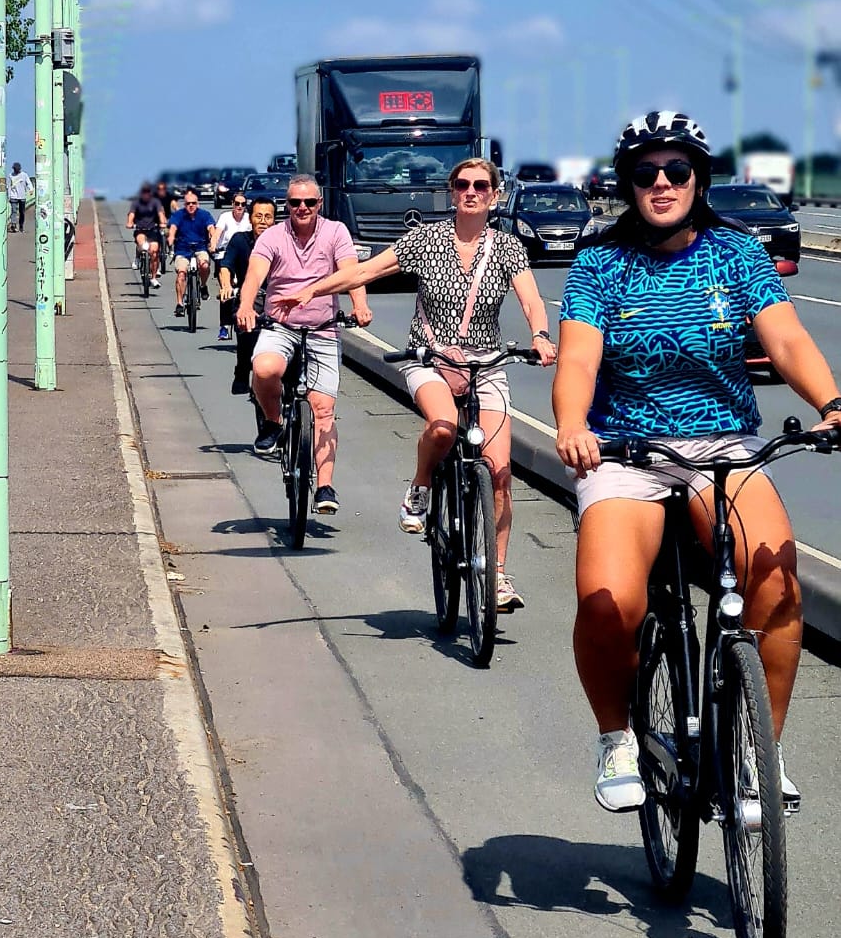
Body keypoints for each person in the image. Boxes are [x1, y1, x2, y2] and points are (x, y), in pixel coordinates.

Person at [554, 110, 841, 813]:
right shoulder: (600, 261)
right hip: (625, 449)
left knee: (774, 587)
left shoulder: (736, 254)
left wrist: (833, 401)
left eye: (675, 169)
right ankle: (615, 736)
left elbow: (788, 342)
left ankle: (756, 753)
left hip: (721, 446)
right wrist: (569, 424)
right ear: (626, 183)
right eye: (645, 172)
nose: (661, 182)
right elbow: (580, 356)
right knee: (607, 602)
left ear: (698, 178)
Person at [282, 155, 554, 609]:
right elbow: (366, 271)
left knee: (501, 474)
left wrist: (541, 336)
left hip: (485, 362)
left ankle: (499, 575)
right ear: (452, 192)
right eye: (463, 184)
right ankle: (422, 487)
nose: (471, 192)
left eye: (481, 186)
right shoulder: (427, 240)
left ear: (494, 194)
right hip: (428, 357)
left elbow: (530, 300)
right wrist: (314, 289)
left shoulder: (507, 248)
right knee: (444, 425)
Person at [236, 174, 370, 518]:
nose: (302, 208)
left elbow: (351, 272)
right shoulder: (273, 236)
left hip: (323, 329)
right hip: (281, 325)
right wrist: (246, 305)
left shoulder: (336, 232)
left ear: (319, 204)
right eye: (295, 202)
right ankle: (273, 422)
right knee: (264, 368)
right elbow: (254, 275)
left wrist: (359, 304)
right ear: (287, 205)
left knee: (323, 408)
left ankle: (324, 486)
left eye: (309, 202)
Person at [221, 199, 278, 437]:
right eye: (258, 216)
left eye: (268, 216)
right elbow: (226, 267)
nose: (263, 221)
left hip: (279, 299)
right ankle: (243, 369)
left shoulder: (284, 241)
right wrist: (226, 285)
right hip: (250, 298)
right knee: (247, 325)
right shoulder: (239, 241)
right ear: (250, 218)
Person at [167, 188, 216, 317]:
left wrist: (213, 240)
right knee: (182, 274)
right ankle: (179, 304)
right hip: (183, 250)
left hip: (200, 248)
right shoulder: (179, 215)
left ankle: (203, 285)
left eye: (193, 203)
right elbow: (173, 228)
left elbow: (211, 228)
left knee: (204, 265)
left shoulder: (204, 215)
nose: (191, 206)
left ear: (197, 204)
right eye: (188, 203)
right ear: (185, 205)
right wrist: (171, 238)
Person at [213, 192, 253, 340]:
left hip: (242, 256)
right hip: (225, 254)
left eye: (243, 204)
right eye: (237, 204)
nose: (240, 207)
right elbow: (217, 234)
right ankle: (224, 326)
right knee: (226, 289)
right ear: (232, 204)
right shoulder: (225, 217)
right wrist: (213, 245)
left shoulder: (249, 219)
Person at [126, 182, 166, 287]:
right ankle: (138, 257)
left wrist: (162, 222)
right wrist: (130, 223)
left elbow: (160, 213)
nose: (146, 194)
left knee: (155, 251)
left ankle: (153, 278)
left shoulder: (155, 202)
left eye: (148, 192)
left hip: (152, 230)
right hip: (140, 229)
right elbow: (132, 214)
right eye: (144, 192)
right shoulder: (136, 203)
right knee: (141, 243)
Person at [7, 161, 31, 233]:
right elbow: (9, 186)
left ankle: (21, 226)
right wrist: (9, 196)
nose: (16, 171)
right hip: (13, 195)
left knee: (22, 212)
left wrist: (31, 189)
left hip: (22, 196)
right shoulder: (10, 175)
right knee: (14, 211)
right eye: (15, 169)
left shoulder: (24, 175)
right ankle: (13, 225)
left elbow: (28, 183)